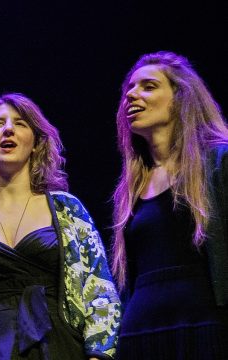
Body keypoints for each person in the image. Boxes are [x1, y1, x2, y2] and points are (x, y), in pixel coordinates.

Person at [0, 93, 121, 359]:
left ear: (37, 142)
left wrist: (98, 356)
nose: (8, 130)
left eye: (20, 123)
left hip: (58, 347)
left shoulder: (66, 209)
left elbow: (99, 290)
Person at [111, 51, 228, 358]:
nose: (132, 95)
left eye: (148, 86)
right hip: (141, 333)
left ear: (180, 98)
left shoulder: (218, 162)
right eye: (129, 90)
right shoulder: (132, 187)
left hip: (204, 326)